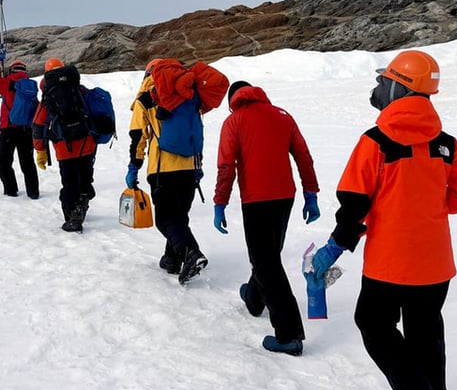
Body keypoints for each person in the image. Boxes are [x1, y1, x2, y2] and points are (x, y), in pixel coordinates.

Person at [310, 50, 457, 390]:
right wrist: (431, 207)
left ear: (396, 87)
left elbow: (354, 204)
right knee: (425, 332)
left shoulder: (375, 141)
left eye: (382, 81)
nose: (377, 88)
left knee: (373, 324)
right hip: (436, 265)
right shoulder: (446, 144)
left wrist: (333, 249)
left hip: (390, 263)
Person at [213, 80, 321, 356]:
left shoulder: (234, 121)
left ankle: (289, 334)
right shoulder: (282, 115)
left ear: (232, 100)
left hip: (257, 200)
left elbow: (226, 166)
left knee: (266, 262)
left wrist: (219, 203)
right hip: (285, 197)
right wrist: (311, 194)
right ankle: (253, 298)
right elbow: (303, 156)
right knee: (268, 256)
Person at [126, 59, 209, 284]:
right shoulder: (189, 94)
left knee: (165, 219)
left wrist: (134, 166)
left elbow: (137, 136)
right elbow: (196, 132)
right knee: (179, 217)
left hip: (163, 169)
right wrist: (198, 166)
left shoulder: (147, 98)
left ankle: (192, 252)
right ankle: (172, 259)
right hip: (190, 168)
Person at [33, 58, 98, 232]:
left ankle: (73, 216)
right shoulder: (79, 90)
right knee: (85, 177)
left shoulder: (48, 97)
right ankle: (83, 200)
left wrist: (40, 150)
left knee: (69, 182)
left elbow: (38, 125)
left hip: (64, 148)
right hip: (87, 143)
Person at [0, 52, 39, 199]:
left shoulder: (6, 83)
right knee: (28, 164)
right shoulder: (31, 87)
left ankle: (11, 191)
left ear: (11, 70)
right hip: (27, 130)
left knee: (4, 162)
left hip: (8, 129)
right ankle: (33, 192)